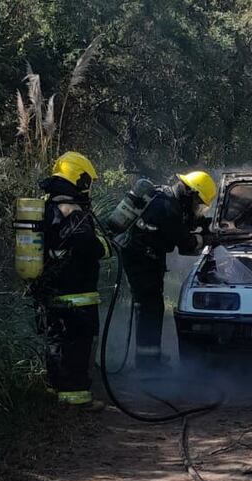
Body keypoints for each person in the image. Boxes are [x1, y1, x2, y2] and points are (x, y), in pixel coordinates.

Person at [35, 151, 111, 409]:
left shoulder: (47, 206)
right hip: (76, 291)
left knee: (57, 340)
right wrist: (104, 247)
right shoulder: (71, 209)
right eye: (88, 181)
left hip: (51, 287)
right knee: (78, 342)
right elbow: (84, 243)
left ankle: (56, 389)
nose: (89, 188)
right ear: (79, 180)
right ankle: (76, 397)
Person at [120, 171, 216, 369]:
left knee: (151, 307)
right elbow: (186, 244)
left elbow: (183, 222)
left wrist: (202, 222)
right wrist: (206, 239)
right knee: (150, 309)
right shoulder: (167, 208)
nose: (198, 207)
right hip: (141, 262)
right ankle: (147, 364)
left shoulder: (165, 197)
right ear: (189, 193)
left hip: (144, 259)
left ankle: (149, 359)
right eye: (198, 202)